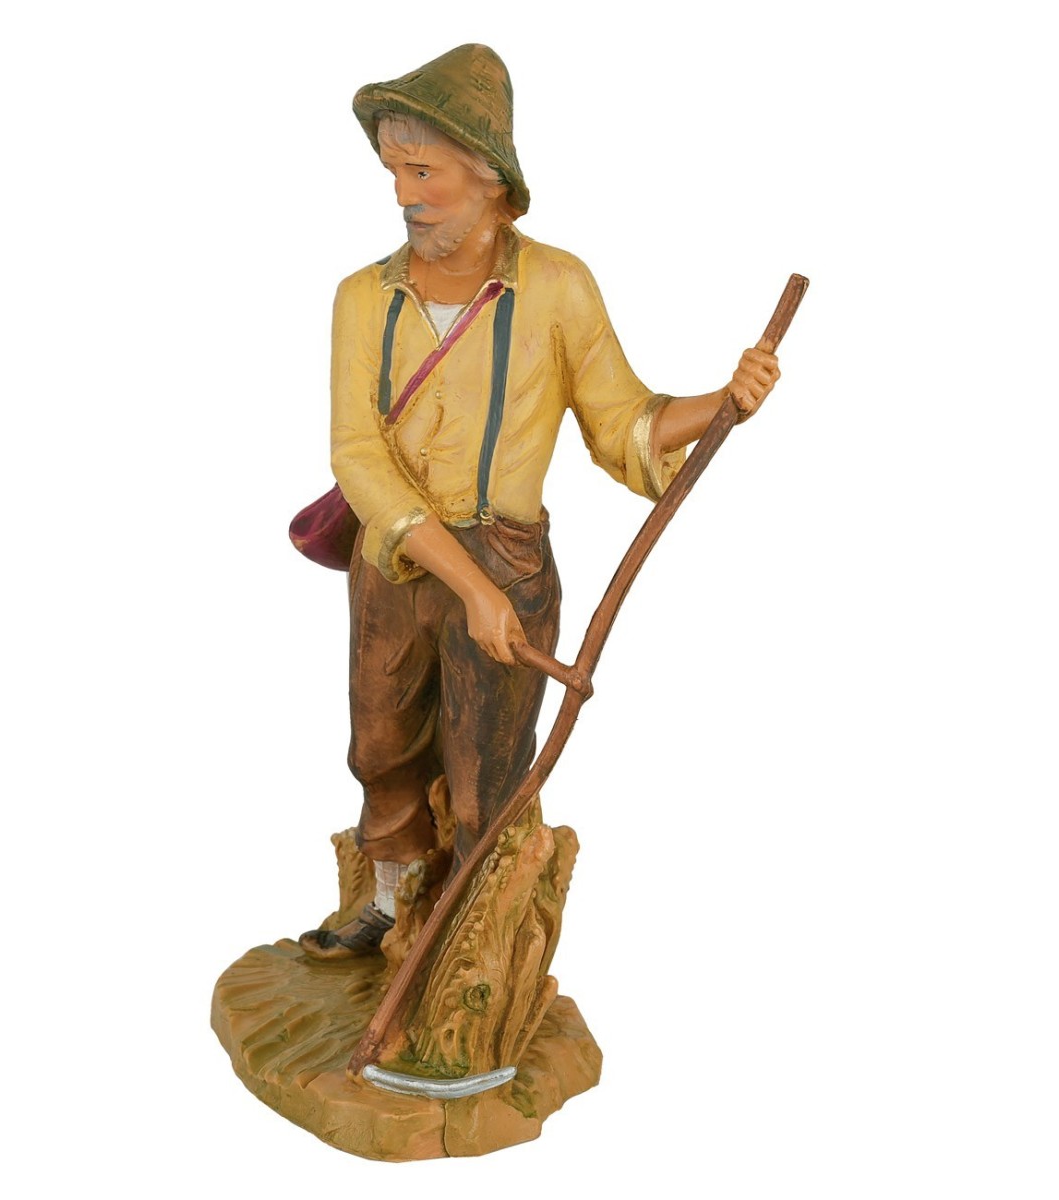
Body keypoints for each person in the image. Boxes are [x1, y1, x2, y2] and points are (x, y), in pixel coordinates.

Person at [300, 44, 780, 957]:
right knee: (381, 743)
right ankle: (392, 900)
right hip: (396, 557)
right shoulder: (362, 298)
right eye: (394, 171)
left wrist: (725, 401)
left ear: (488, 176)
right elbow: (357, 453)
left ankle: (464, 939)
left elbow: (622, 421)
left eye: (423, 171)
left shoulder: (558, 287)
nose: (403, 194)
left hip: (509, 559)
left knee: (486, 768)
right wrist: (466, 586)